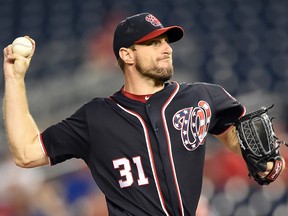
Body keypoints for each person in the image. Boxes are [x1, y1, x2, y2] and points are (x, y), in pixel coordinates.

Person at [2, 12, 276, 216]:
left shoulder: (201, 97)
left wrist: (264, 163)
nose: (167, 49)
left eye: (166, 41)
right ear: (127, 55)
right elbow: (26, 153)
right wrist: (14, 79)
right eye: (154, 43)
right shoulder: (96, 117)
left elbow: (232, 132)